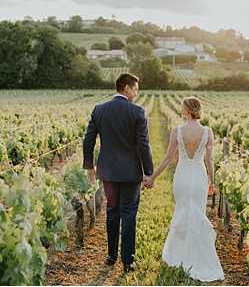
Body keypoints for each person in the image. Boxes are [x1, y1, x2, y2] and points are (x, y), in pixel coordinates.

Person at [144, 96, 224, 282]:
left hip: (182, 176)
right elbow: (209, 160)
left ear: (187, 110)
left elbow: (168, 158)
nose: (180, 109)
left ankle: (179, 254)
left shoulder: (177, 131)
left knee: (182, 211)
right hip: (199, 177)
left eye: (182, 107)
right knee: (197, 212)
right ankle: (196, 255)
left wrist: (152, 177)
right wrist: (212, 182)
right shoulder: (207, 131)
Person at [82, 73, 153, 273]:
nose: (137, 93)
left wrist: (89, 166)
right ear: (126, 88)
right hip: (131, 172)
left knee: (112, 211)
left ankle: (111, 256)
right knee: (129, 213)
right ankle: (128, 261)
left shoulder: (99, 109)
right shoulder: (137, 112)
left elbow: (88, 140)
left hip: (109, 172)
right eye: (136, 89)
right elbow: (143, 144)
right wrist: (148, 172)